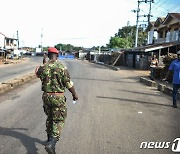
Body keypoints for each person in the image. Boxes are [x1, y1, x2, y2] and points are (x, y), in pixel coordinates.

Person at [35, 47, 78, 154]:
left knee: (50, 118)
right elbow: (68, 83)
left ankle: (49, 141)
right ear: (57, 55)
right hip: (58, 97)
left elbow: (38, 74)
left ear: (48, 55)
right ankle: (52, 143)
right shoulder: (62, 67)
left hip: (46, 97)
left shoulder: (43, 67)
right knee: (58, 120)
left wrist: (44, 63)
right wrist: (74, 94)